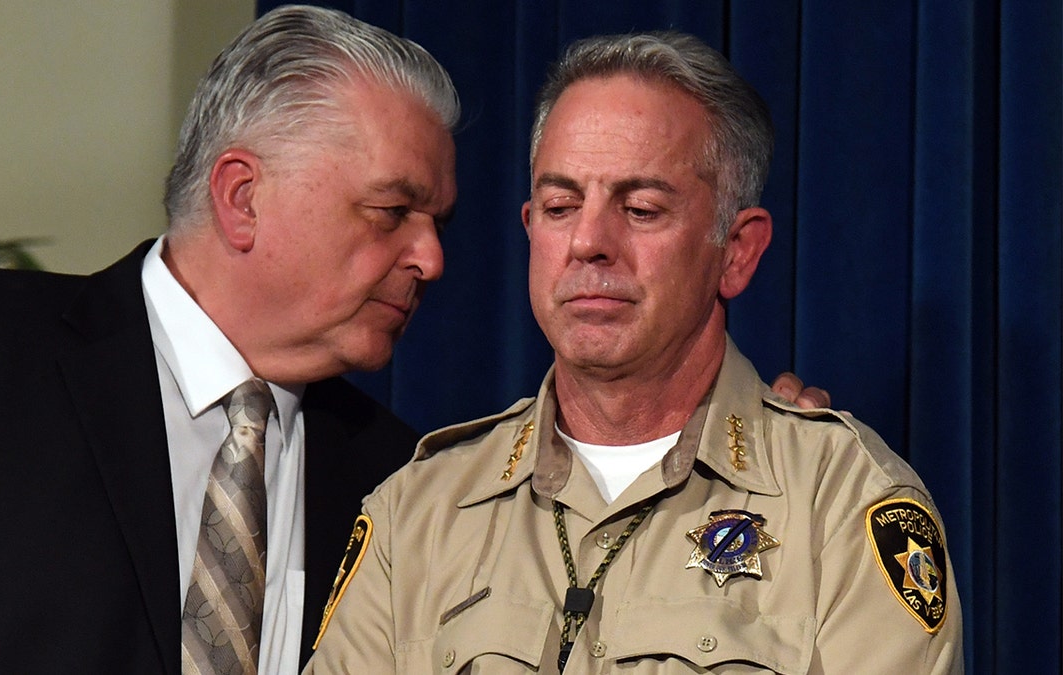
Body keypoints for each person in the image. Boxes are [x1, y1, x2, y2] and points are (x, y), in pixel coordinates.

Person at [0, 7, 823, 674]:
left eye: (437, 218)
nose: (433, 258)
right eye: (395, 210)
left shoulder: (401, 480)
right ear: (244, 197)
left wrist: (733, 471)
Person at [306, 30, 962, 674]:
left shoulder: (841, 507)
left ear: (736, 252)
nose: (589, 241)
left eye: (642, 209)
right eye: (562, 206)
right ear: (530, 229)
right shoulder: (416, 512)